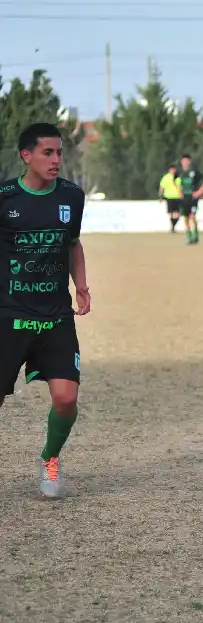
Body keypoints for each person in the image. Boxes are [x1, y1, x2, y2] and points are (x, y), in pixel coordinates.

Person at [0, 123, 90, 498]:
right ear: (26, 156)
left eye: (59, 153)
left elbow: (73, 244)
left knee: (67, 398)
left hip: (55, 315)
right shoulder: (4, 197)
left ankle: (50, 459)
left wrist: (81, 285)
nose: (56, 160)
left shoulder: (72, 196)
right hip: (8, 313)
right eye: (47, 153)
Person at [178, 154, 203, 245]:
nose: (185, 163)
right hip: (184, 198)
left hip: (193, 197)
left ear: (189, 162)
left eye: (186, 161)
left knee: (192, 216)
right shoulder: (180, 173)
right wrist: (180, 192)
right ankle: (189, 238)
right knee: (186, 217)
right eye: (183, 161)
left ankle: (196, 236)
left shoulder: (194, 172)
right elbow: (179, 183)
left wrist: (200, 191)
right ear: (181, 162)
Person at [158, 164, 182, 233]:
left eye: (174, 169)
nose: (173, 171)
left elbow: (180, 187)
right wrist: (160, 195)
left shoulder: (178, 177)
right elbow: (162, 187)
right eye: (171, 169)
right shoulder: (166, 177)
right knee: (171, 213)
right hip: (169, 197)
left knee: (178, 213)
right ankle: (173, 228)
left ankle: (173, 227)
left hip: (177, 196)